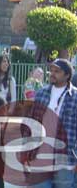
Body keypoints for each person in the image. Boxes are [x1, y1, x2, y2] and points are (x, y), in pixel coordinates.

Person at [27, 59, 77, 188]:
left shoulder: (75, 96)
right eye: (52, 70)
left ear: (67, 75)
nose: (52, 74)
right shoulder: (41, 93)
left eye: (57, 71)